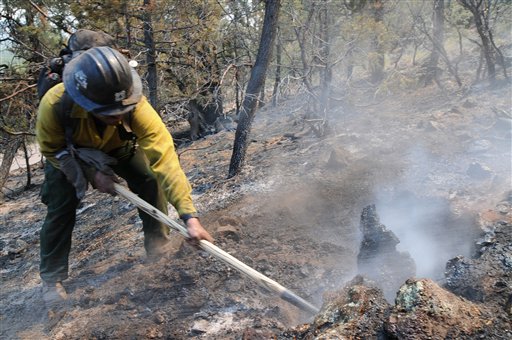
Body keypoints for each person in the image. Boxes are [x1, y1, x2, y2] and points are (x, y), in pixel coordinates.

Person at [36, 46, 213, 305]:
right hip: (69, 155)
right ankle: (52, 278)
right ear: (87, 102)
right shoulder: (54, 104)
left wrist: (190, 216)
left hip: (118, 147)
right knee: (61, 206)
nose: (119, 115)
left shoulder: (136, 105)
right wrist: (91, 173)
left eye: (122, 109)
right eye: (110, 112)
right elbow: (52, 149)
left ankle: (158, 247)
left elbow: (165, 158)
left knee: (150, 179)